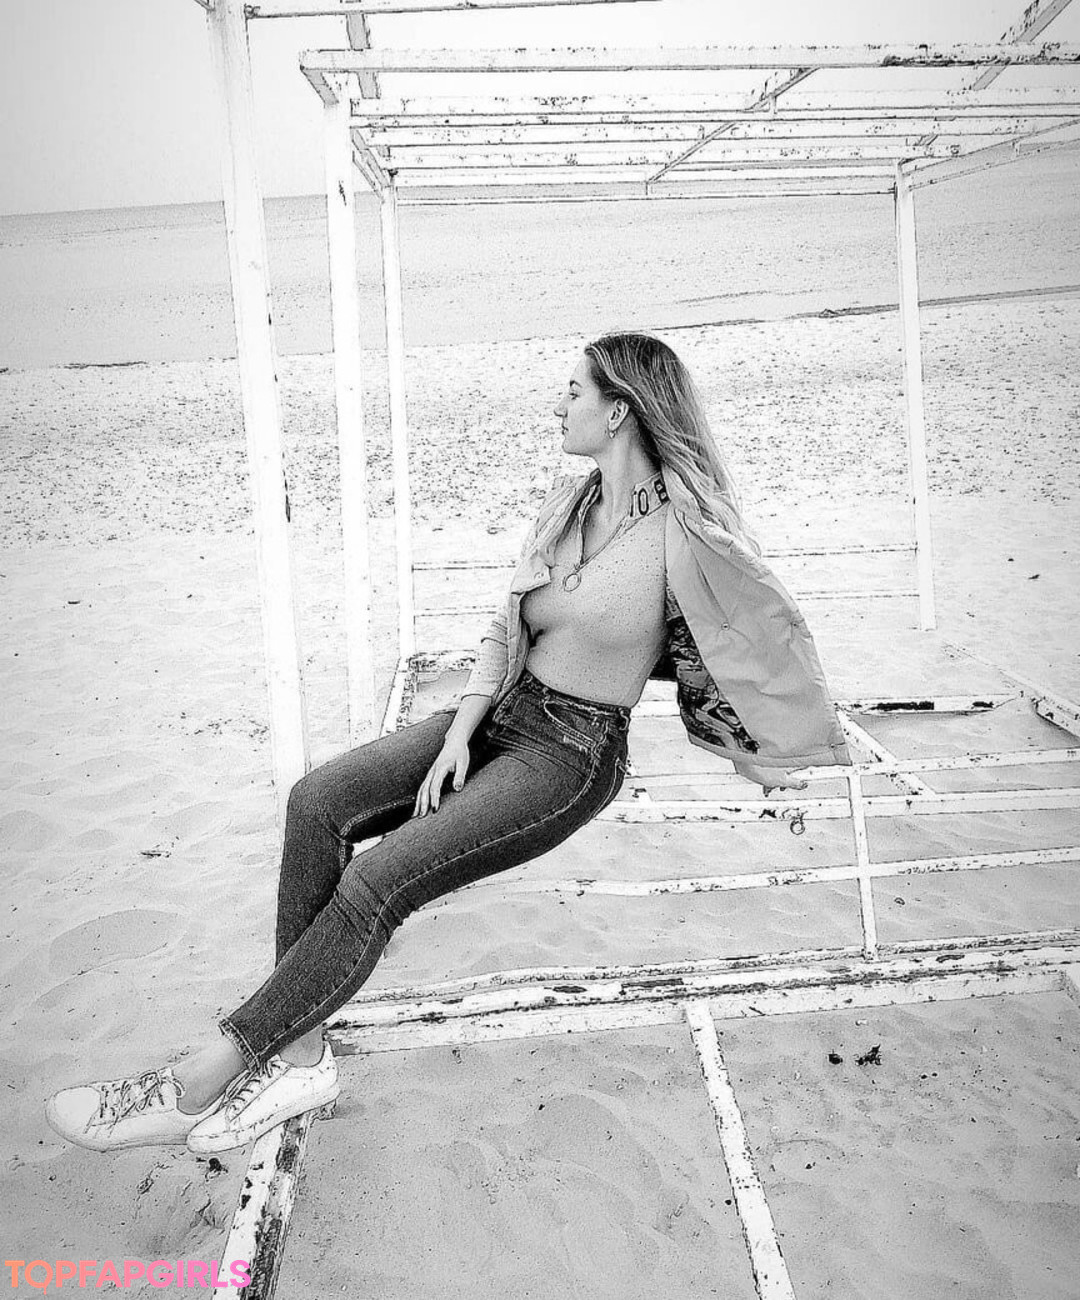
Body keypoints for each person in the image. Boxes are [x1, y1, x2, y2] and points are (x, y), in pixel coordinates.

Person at [45, 332, 850, 1155]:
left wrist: (772, 757)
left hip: (570, 755)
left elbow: (756, 638)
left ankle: (195, 1083)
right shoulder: (569, 507)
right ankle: (299, 1055)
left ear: (619, 411)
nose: (559, 405)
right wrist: (460, 732)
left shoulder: (685, 533)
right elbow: (505, 629)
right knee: (317, 803)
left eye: (574, 391)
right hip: (502, 714)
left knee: (377, 880)